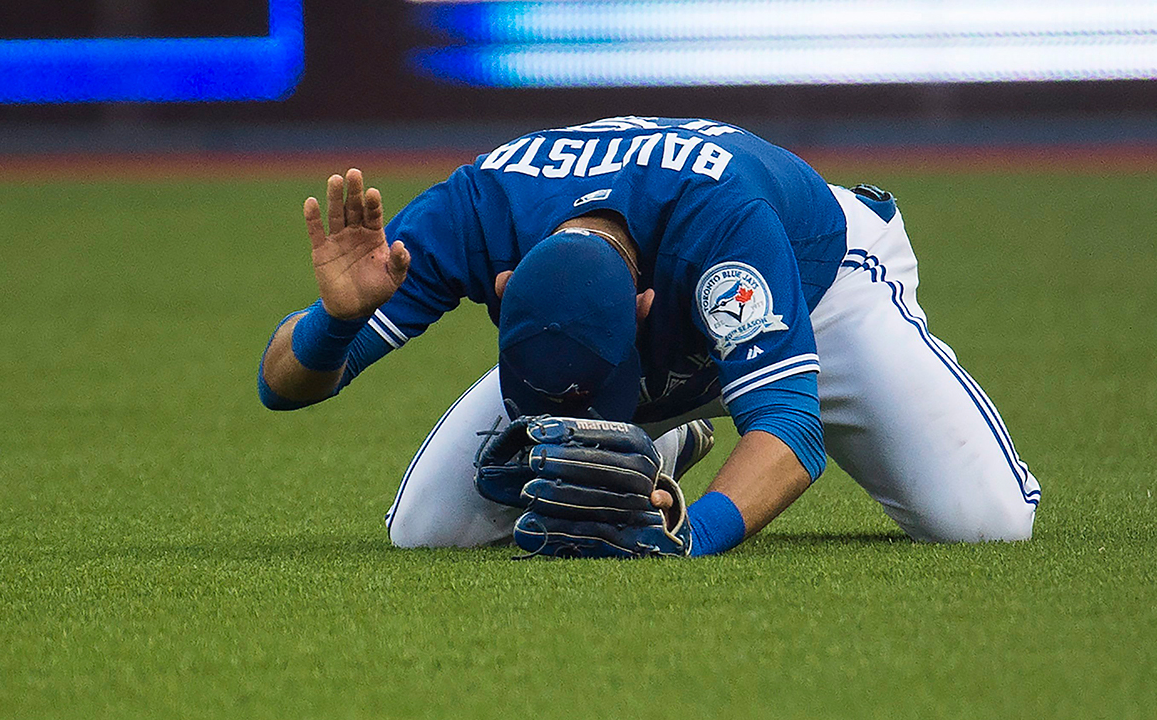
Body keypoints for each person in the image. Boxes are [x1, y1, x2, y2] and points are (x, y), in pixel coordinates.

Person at [257, 116, 1040, 556]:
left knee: (987, 521)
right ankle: (665, 443)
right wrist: (336, 324)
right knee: (425, 532)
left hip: (822, 285)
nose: (572, 434)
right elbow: (280, 387)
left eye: (599, 414)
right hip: (631, 317)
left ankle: (672, 428)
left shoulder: (724, 229)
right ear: (503, 288)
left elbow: (793, 431)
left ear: (643, 309)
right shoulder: (474, 216)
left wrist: (694, 531)